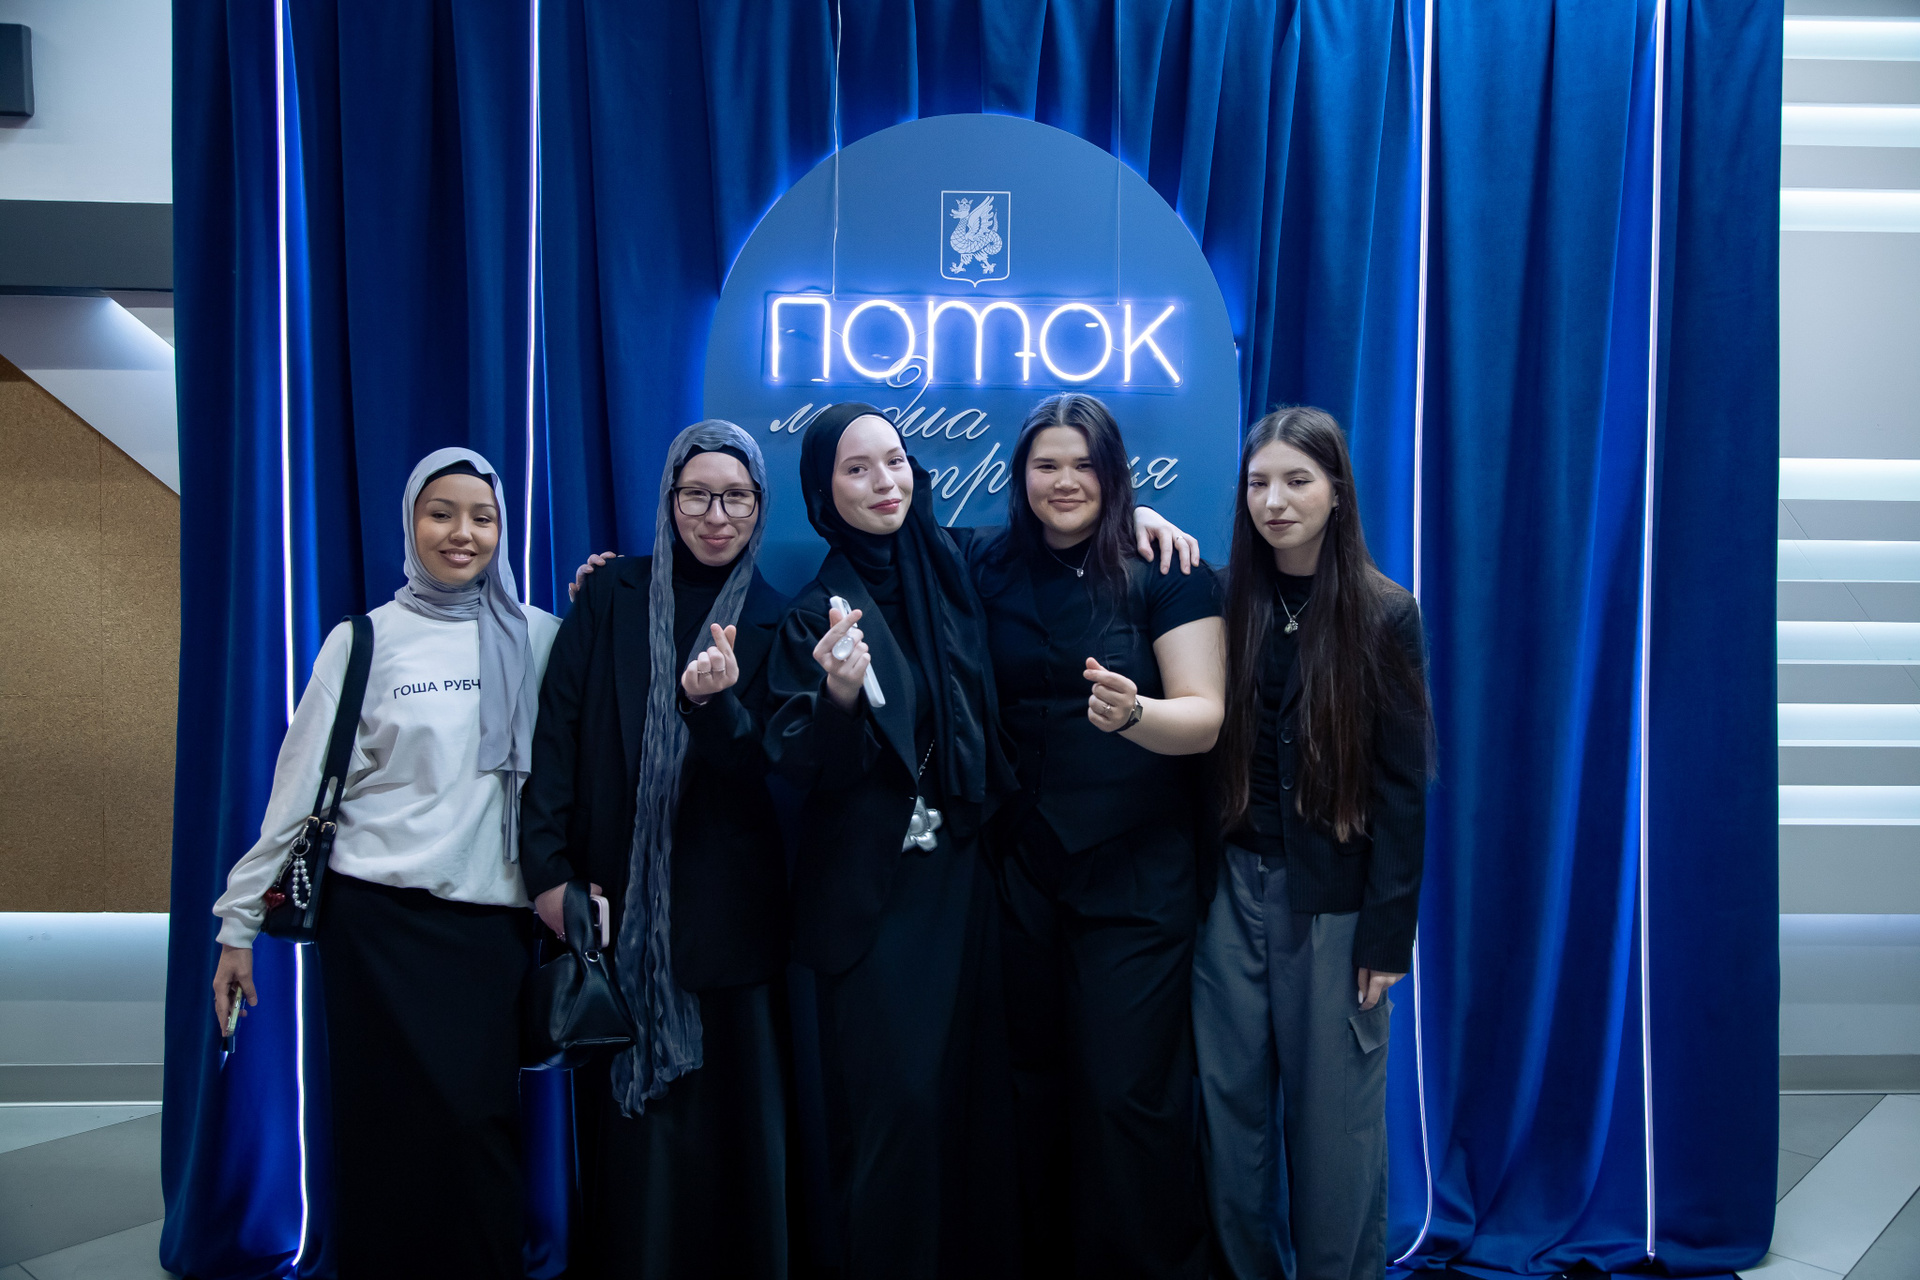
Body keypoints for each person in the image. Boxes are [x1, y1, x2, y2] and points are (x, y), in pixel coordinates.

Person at [211, 448, 561, 1280]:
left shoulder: (541, 637)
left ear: (501, 530)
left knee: (478, 1132)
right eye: (441, 513)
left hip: (490, 931)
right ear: (411, 522)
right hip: (374, 927)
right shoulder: (363, 641)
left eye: (482, 516)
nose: (462, 533)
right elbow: (297, 791)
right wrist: (237, 925)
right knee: (382, 1136)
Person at [518, 420, 792, 1280]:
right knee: (633, 1157)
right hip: (617, 913)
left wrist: (715, 709)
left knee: (730, 1144)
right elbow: (555, 739)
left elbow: (768, 777)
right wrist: (549, 876)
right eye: (697, 495)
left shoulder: (779, 616)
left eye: (736, 497)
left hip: (728, 925)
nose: (716, 516)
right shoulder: (610, 594)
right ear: (670, 499)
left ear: (760, 506)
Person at [972, 393, 1223, 1279]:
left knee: (1126, 1094)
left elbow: (1205, 718)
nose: (1065, 481)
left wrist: (1136, 714)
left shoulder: (1169, 569)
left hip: (1137, 872)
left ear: (1116, 474)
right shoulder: (985, 562)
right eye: (1047, 464)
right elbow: (881, 540)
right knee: (1030, 1083)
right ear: (1020, 476)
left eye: (1085, 465)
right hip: (1023, 869)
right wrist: (619, 579)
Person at [1193, 407, 1432, 1280]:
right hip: (1227, 893)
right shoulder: (1221, 598)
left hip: (1333, 905)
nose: (1275, 501)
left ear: (1336, 491)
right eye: (1258, 483)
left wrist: (1387, 937)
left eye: (1297, 481)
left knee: (1337, 1137)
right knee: (1228, 1122)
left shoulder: (1384, 613)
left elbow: (1404, 790)